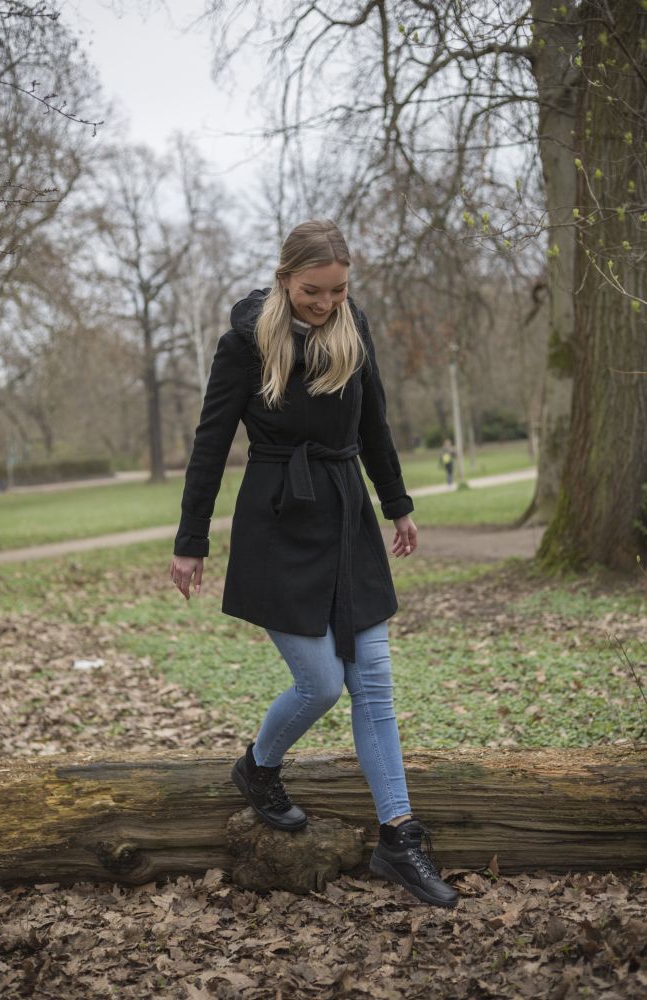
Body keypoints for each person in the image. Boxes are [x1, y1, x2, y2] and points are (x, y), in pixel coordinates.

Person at [170, 219, 458, 909]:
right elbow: (210, 442)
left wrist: (397, 504)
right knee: (321, 683)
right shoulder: (245, 341)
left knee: (376, 684)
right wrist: (190, 540)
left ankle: (399, 837)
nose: (325, 303)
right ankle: (257, 767)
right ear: (284, 277)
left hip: (346, 513)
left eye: (337, 290)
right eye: (312, 290)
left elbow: (375, 425)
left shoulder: (350, 326)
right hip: (276, 520)